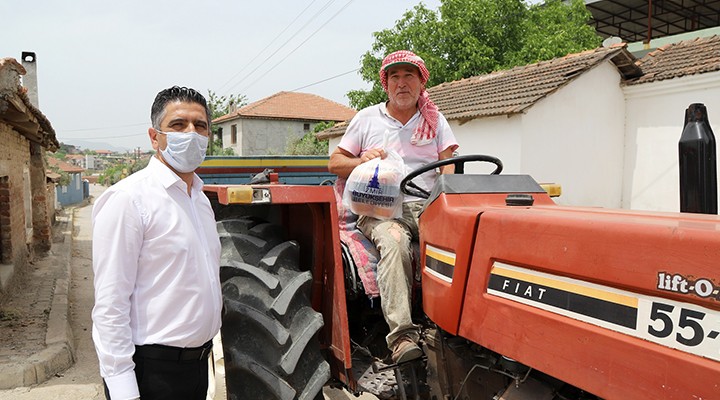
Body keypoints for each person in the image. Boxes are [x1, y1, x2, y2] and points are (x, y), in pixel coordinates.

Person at [91, 86, 222, 400]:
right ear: (155, 137)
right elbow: (110, 305)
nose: (191, 133)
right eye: (178, 125)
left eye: (200, 126)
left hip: (196, 370)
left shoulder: (200, 201)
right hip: (151, 373)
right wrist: (124, 389)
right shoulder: (129, 199)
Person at [328, 50, 458, 363]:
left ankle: (458, 329)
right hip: (382, 209)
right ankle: (402, 338)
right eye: (395, 77)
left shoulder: (434, 120)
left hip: (427, 208)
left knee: (466, 243)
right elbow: (335, 162)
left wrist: (444, 201)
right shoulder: (367, 118)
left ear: (421, 82)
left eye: (408, 76)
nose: (402, 83)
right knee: (395, 243)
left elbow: (449, 164)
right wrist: (361, 160)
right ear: (386, 83)